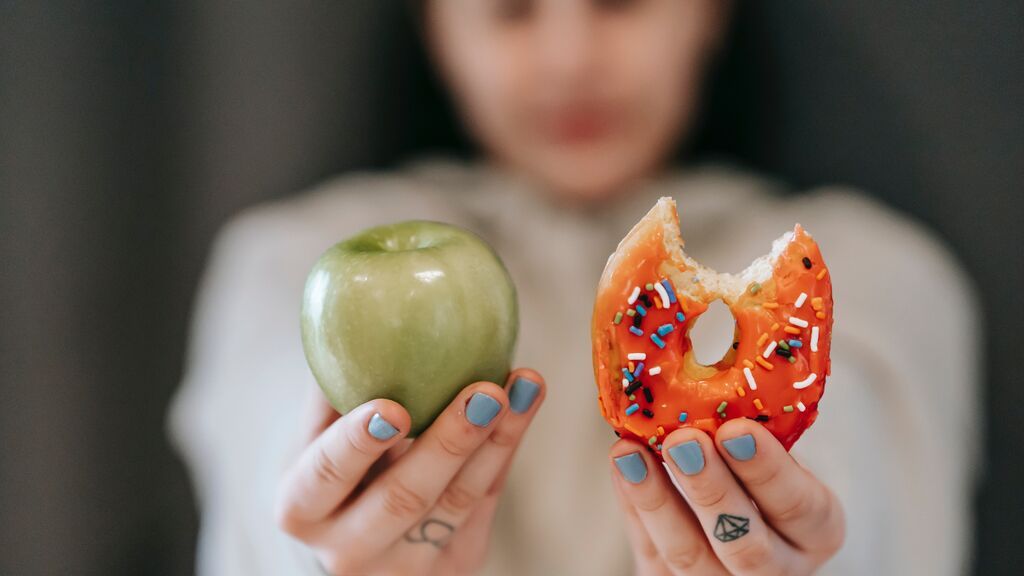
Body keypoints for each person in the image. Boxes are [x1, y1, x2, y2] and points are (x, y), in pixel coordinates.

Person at [169, 1, 980, 574]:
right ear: (436, 28)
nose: (570, 59)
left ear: (710, 12)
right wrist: (323, 547)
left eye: (620, 2)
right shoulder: (284, 261)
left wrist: (799, 554)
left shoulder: (879, 268)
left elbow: (867, 479)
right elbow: (265, 457)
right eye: (511, 9)